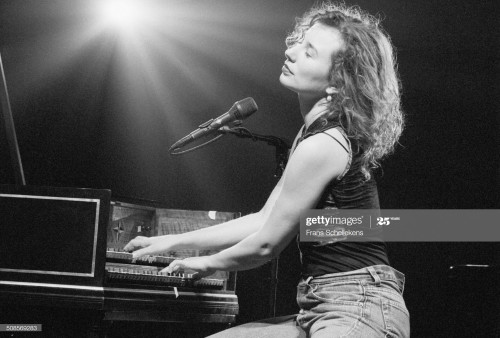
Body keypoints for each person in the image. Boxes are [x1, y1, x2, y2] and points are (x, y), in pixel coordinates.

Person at [124, 2, 409, 337]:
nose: (291, 51)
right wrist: (170, 242)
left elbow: (266, 246)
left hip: (359, 307)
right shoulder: (310, 134)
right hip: (320, 306)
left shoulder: (325, 144)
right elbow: (263, 220)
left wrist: (204, 262)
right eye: (299, 42)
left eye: (309, 52)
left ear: (337, 83)